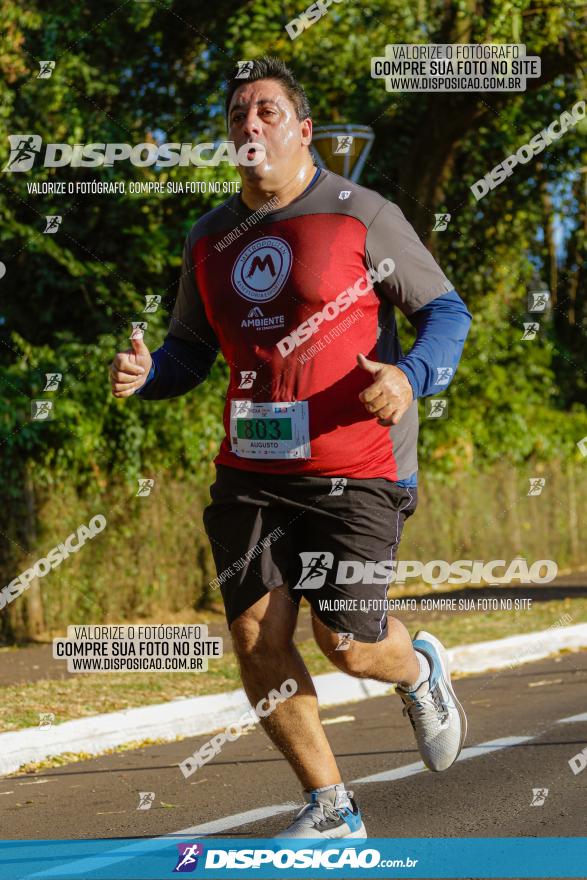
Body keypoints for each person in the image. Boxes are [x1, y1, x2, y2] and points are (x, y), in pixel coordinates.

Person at [109, 56, 472, 840]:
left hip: (359, 466)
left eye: (268, 112)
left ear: (304, 132)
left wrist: (410, 376)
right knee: (253, 636)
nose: (250, 125)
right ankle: (332, 809)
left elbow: (447, 313)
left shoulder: (360, 213)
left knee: (346, 643)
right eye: (238, 114)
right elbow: (187, 353)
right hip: (248, 472)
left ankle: (418, 670)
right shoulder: (209, 239)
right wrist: (149, 376)